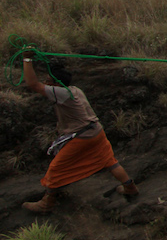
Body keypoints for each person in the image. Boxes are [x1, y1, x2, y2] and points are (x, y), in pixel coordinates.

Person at [19, 57, 139, 213]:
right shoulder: (75, 89)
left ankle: (46, 203)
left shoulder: (61, 93)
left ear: (57, 84)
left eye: (49, 81)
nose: (46, 83)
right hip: (96, 131)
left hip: (83, 138)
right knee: (109, 161)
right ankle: (130, 187)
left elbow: (32, 84)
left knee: (56, 168)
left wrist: (27, 59)